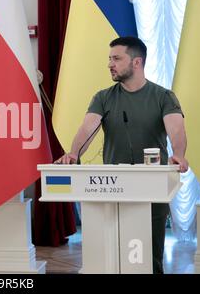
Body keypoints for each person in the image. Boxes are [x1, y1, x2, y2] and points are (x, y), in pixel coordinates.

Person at [55, 36, 188, 274]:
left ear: (137, 62)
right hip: (113, 188)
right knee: (114, 256)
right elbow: (88, 128)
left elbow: (175, 128)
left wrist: (178, 154)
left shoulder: (163, 96)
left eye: (116, 58)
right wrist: (74, 153)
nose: (110, 64)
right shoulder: (103, 97)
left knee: (149, 258)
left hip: (152, 187)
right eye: (109, 59)